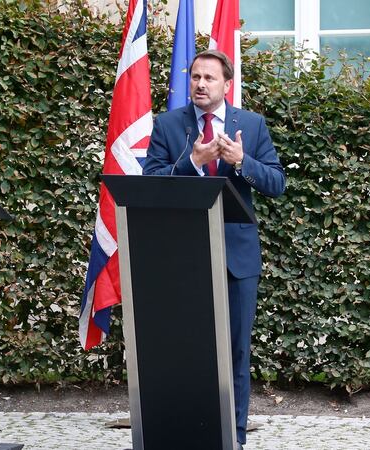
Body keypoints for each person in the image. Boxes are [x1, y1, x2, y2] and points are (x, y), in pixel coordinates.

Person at [143, 49, 286, 449]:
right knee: (183, 349)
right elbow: (150, 183)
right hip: (181, 256)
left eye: (209, 78)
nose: (200, 84)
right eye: (195, 77)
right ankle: (184, 430)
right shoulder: (169, 125)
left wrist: (242, 162)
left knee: (237, 351)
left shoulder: (252, 126)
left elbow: (276, 183)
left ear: (227, 85)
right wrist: (191, 161)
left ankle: (233, 438)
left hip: (236, 259)